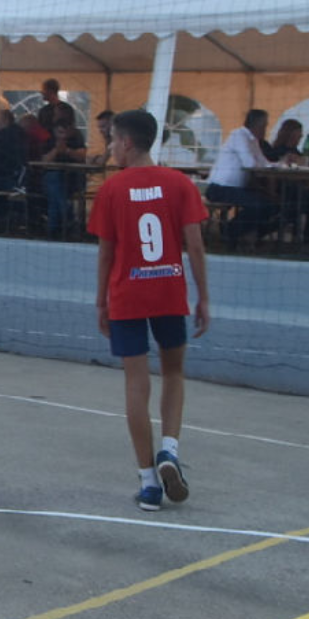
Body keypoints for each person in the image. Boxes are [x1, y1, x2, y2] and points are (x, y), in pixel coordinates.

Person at [87, 108, 210, 513]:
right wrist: (203, 296)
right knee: (173, 372)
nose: (111, 148)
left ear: (126, 142)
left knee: (136, 384)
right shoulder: (180, 184)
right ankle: (169, 450)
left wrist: (101, 300)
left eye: (112, 140)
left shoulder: (111, 189)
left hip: (128, 295)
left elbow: (106, 253)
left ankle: (148, 483)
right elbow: (195, 245)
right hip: (168, 292)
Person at [205, 108, 278, 244]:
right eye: (264, 125)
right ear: (257, 124)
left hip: (236, 189)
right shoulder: (238, 135)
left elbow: (264, 163)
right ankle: (230, 232)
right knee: (259, 205)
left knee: (271, 204)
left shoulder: (253, 140)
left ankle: (239, 233)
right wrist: (265, 165)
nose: (265, 129)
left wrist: (282, 163)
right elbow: (249, 163)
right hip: (220, 188)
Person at [40, 102, 89, 239]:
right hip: (53, 178)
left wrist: (67, 150)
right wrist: (56, 150)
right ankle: (67, 219)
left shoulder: (76, 136)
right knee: (55, 181)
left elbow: (83, 156)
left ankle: (54, 229)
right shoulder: (48, 137)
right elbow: (43, 162)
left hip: (73, 178)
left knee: (54, 197)